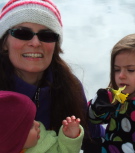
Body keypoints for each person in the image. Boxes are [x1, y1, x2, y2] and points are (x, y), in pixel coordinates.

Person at [0, 0, 104, 152]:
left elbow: (92, 135)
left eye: (47, 35)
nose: (35, 43)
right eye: (23, 33)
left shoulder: (70, 87)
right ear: (4, 43)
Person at [0, 91, 84, 153]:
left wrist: (70, 137)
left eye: (34, 119)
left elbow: (64, 150)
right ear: (15, 139)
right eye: (31, 126)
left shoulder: (46, 143)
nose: (38, 123)